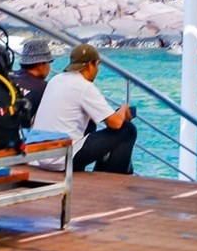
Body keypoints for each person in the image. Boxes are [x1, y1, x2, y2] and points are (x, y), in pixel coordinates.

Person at [31, 42, 136, 173]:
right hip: (60, 159)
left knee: (91, 125)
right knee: (128, 130)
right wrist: (123, 110)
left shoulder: (56, 79)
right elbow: (115, 124)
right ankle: (113, 176)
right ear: (91, 65)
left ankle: (101, 171)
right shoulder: (85, 87)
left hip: (39, 156)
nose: (97, 70)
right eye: (97, 65)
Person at [13, 37, 54, 119]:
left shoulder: (8, 75)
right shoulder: (45, 88)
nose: (49, 67)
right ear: (40, 65)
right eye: (49, 63)